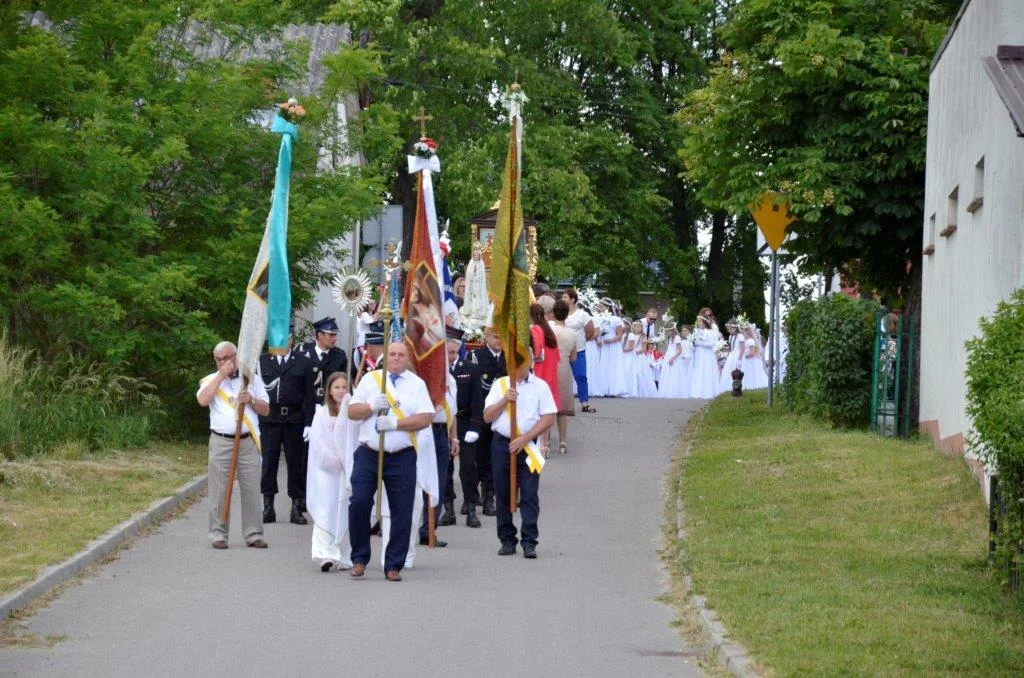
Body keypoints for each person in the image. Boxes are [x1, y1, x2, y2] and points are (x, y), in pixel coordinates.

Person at [347, 341, 434, 582]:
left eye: (401, 355)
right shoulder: (371, 380)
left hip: (401, 455)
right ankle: (359, 558)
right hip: (369, 452)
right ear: (386, 356)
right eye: (392, 354)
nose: (396, 358)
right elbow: (352, 413)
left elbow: (425, 418)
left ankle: (394, 563)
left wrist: (396, 424)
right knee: (359, 502)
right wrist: (371, 406)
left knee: (402, 509)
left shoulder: (417, 385)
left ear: (408, 359)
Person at [196, 341, 270, 550]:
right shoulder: (211, 380)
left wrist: (253, 401)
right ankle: (218, 533)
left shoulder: (250, 379)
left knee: (251, 487)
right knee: (219, 488)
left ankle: (254, 533)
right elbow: (202, 400)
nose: (224, 362)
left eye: (227, 358)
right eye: (219, 359)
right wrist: (220, 376)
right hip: (221, 440)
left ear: (236, 357)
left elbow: (266, 410)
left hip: (247, 440)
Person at [483, 351, 557, 559]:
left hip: (527, 444)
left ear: (531, 363)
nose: (519, 368)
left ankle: (529, 540)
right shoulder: (500, 385)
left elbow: (548, 417)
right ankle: (506, 539)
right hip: (502, 444)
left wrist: (526, 437)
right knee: (503, 492)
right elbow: (487, 416)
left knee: (529, 493)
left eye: (523, 363)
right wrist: (505, 400)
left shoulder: (540, 386)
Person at [259, 331, 315, 525]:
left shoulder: (303, 363)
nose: (282, 341)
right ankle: (268, 507)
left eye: (286, 337)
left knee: (296, 465)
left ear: (291, 340)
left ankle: (296, 508)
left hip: (294, 419)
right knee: (269, 463)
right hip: (269, 419)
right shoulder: (263, 362)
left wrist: (309, 423)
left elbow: (310, 396)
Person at [306, 372, 358, 571]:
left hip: (347, 468)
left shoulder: (352, 411)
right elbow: (318, 442)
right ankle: (325, 553)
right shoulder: (321, 413)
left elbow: (355, 438)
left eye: (344, 387)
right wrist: (333, 459)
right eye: (336, 387)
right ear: (329, 390)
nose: (340, 391)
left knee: (344, 507)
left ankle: (344, 554)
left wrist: (347, 460)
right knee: (326, 507)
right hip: (327, 470)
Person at [418, 331, 459, 547]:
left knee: (439, 481)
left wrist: (454, 439)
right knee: (419, 481)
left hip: (442, 432)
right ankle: (414, 526)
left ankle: (429, 529)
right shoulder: (423, 380)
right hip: (424, 431)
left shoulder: (450, 380)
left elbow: (453, 413)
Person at [469, 328, 506, 516]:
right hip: (481, 413)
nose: (499, 340)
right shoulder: (476, 355)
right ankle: (472, 497)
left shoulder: (509, 357)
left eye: (501, 336)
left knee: (494, 459)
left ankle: (489, 495)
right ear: (486, 337)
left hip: (501, 415)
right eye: (495, 336)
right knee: (478, 457)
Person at [449, 330, 485, 526]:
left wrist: (475, 426)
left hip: (464, 421)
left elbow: (477, 401)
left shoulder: (470, 369)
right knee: (445, 469)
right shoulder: (435, 369)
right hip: (444, 423)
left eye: (454, 352)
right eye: (447, 352)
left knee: (468, 467)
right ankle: (448, 508)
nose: (451, 357)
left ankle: (471, 506)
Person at [529, 303, 561, 457]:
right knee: (547, 411)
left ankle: (540, 444)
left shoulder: (535, 329)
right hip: (551, 376)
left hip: (539, 374)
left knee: (537, 411)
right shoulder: (550, 333)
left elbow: (536, 352)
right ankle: (544, 444)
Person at [561, 288, 597, 413]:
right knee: (563, 378)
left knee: (581, 376)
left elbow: (590, 331)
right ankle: (563, 405)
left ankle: (584, 403)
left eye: (565, 297)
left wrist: (581, 342)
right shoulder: (560, 313)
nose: (562, 299)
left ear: (572, 299)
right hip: (563, 351)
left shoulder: (582, 314)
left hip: (579, 351)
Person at [298, 317, 348, 401]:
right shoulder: (304, 354)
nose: (335, 338)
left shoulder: (340, 356)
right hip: (307, 404)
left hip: (330, 404)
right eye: (331, 335)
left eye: (335, 335)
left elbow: (344, 382)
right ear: (320, 335)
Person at [551, 299, 577, 454]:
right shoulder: (572, 333)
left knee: (548, 405)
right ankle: (562, 441)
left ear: (553, 313)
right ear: (567, 315)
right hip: (565, 367)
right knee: (562, 407)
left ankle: (545, 439)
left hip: (550, 366)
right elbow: (574, 357)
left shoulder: (548, 330)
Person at [600, 301, 629, 398]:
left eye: (602, 306)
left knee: (613, 365)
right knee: (604, 365)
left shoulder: (615, 319)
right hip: (603, 345)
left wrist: (611, 340)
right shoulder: (599, 318)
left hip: (613, 346)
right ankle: (603, 389)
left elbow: (620, 335)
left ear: (607, 308)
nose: (600, 308)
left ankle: (613, 389)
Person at [689, 313, 722, 398]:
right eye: (698, 321)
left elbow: (711, 344)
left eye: (700, 321)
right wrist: (693, 343)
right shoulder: (697, 331)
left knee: (706, 370)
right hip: (699, 354)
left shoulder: (709, 332)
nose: (698, 323)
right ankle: (698, 391)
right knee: (699, 370)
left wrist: (699, 343)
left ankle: (707, 392)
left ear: (704, 322)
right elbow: (694, 344)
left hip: (707, 355)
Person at [658, 325, 689, 398]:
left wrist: (673, 358)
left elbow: (679, 350)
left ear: (672, 330)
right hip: (668, 357)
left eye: (669, 330)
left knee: (674, 375)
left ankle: (674, 392)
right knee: (667, 374)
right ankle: (666, 391)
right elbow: (669, 349)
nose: (667, 332)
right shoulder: (670, 339)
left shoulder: (677, 338)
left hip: (674, 357)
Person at [739, 322, 770, 390]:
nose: (742, 334)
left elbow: (752, 352)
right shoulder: (747, 340)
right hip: (748, 360)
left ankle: (753, 385)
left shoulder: (750, 341)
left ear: (747, 332)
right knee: (748, 374)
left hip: (751, 361)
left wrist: (745, 355)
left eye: (743, 332)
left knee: (752, 373)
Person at [353, 321, 385, 386]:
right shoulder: (385, 361)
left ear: (369, 347)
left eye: (366, 347)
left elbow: (357, 384)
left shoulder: (384, 364)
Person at [717, 319, 742, 394]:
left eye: (730, 329)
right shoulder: (731, 337)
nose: (729, 331)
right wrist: (722, 348)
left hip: (738, 355)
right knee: (728, 371)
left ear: (735, 328)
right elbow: (731, 348)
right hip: (732, 356)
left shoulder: (740, 336)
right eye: (728, 329)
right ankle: (729, 387)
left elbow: (742, 348)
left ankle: (737, 387)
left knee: (736, 371)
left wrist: (740, 359)